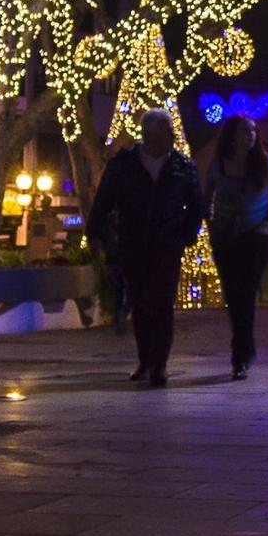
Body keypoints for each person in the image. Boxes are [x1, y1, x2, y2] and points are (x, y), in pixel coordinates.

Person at [87, 109, 203, 385]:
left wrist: (186, 235)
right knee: (139, 303)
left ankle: (159, 363)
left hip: (167, 245)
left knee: (162, 304)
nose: (170, 139)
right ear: (149, 135)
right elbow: (104, 200)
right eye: (164, 134)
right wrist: (95, 232)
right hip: (134, 243)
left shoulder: (182, 166)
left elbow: (196, 205)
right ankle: (145, 359)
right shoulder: (124, 164)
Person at [205, 113, 268, 379]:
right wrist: (213, 226)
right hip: (226, 236)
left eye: (252, 131)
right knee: (233, 294)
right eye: (243, 131)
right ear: (232, 135)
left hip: (255, 236)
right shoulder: (218, 164)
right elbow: (206, 197)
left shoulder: (265, 163)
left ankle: (240, 355)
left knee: (246, 293)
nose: (249, 135)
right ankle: (244, 348)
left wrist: (267, 223)